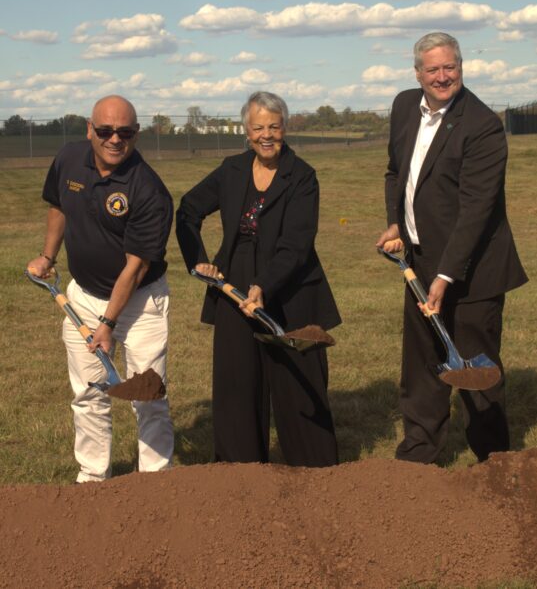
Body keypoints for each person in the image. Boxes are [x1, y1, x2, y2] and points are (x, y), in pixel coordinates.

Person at [376, 32, 527, 464]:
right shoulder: (405, 106)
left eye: (451, 67)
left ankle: (494, 460)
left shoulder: (482, 125)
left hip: (474, 270)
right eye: (433, 69)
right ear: (418, 73)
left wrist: (445, 277)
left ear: (461, 67)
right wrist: (396, 223)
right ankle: (419, 455)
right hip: (419, 260)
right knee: (422, 364)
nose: (443, 77)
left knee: (476, 370)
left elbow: (476, 211)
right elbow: (396, 173)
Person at [176, 91, 339, 467]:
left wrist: (263, 285)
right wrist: (199, 261)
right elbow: (188, 209)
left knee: (298, 385)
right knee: (237, 387)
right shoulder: (231, 170)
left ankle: (317, 473)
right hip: (234, 287)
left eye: (274, 126)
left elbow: (296, 246)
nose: (267, 135)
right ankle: (240, 474)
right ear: (247, 132)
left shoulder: (302, 177)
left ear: (285, 128)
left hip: (291, 286)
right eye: (258, 127)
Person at [26, 95, 174, 483]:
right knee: (88, 394)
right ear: (90, 129)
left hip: (141, 305)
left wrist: (108, 323)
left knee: (148, 396)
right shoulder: (69, 159)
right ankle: (93, 479)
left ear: (136, 135)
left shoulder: (149, 191)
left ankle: (156, 482)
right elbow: (58, 205)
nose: (114, 140)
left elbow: (135, 267)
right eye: (105, 130)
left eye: (124, 132)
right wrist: (47, 256)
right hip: (84, 295)